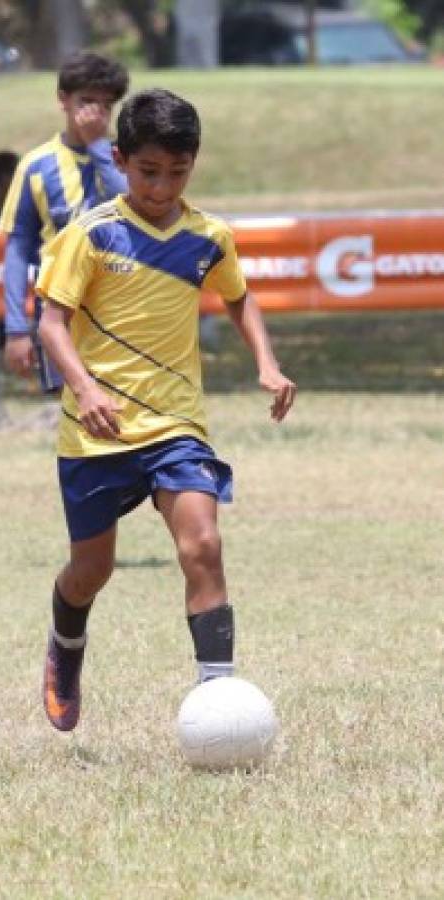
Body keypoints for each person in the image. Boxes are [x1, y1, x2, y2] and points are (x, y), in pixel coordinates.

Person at [33, 88, 297, 733]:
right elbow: (51, 323)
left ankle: (220, 701)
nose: (162, 186)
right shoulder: (93, 235)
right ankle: (66, 649)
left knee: (203, 544)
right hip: (96, 432)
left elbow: (239, 298)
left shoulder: (209, 236)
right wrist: (87, 389)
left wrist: (266, 361)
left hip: (176, 425)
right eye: (149, 171)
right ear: (122, 159)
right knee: (91, 571)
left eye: (178, 172)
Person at [0, 51, 129, 392]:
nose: (93, 114)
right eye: (85, 102)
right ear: (63, 100)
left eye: (104, 106)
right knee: (77, 409)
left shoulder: (127, 160)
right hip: (60, 310)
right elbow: (18, 249)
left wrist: (99, 145)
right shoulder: (37, 165)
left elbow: (133, 201)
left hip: (121, 304)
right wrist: (16, 328)